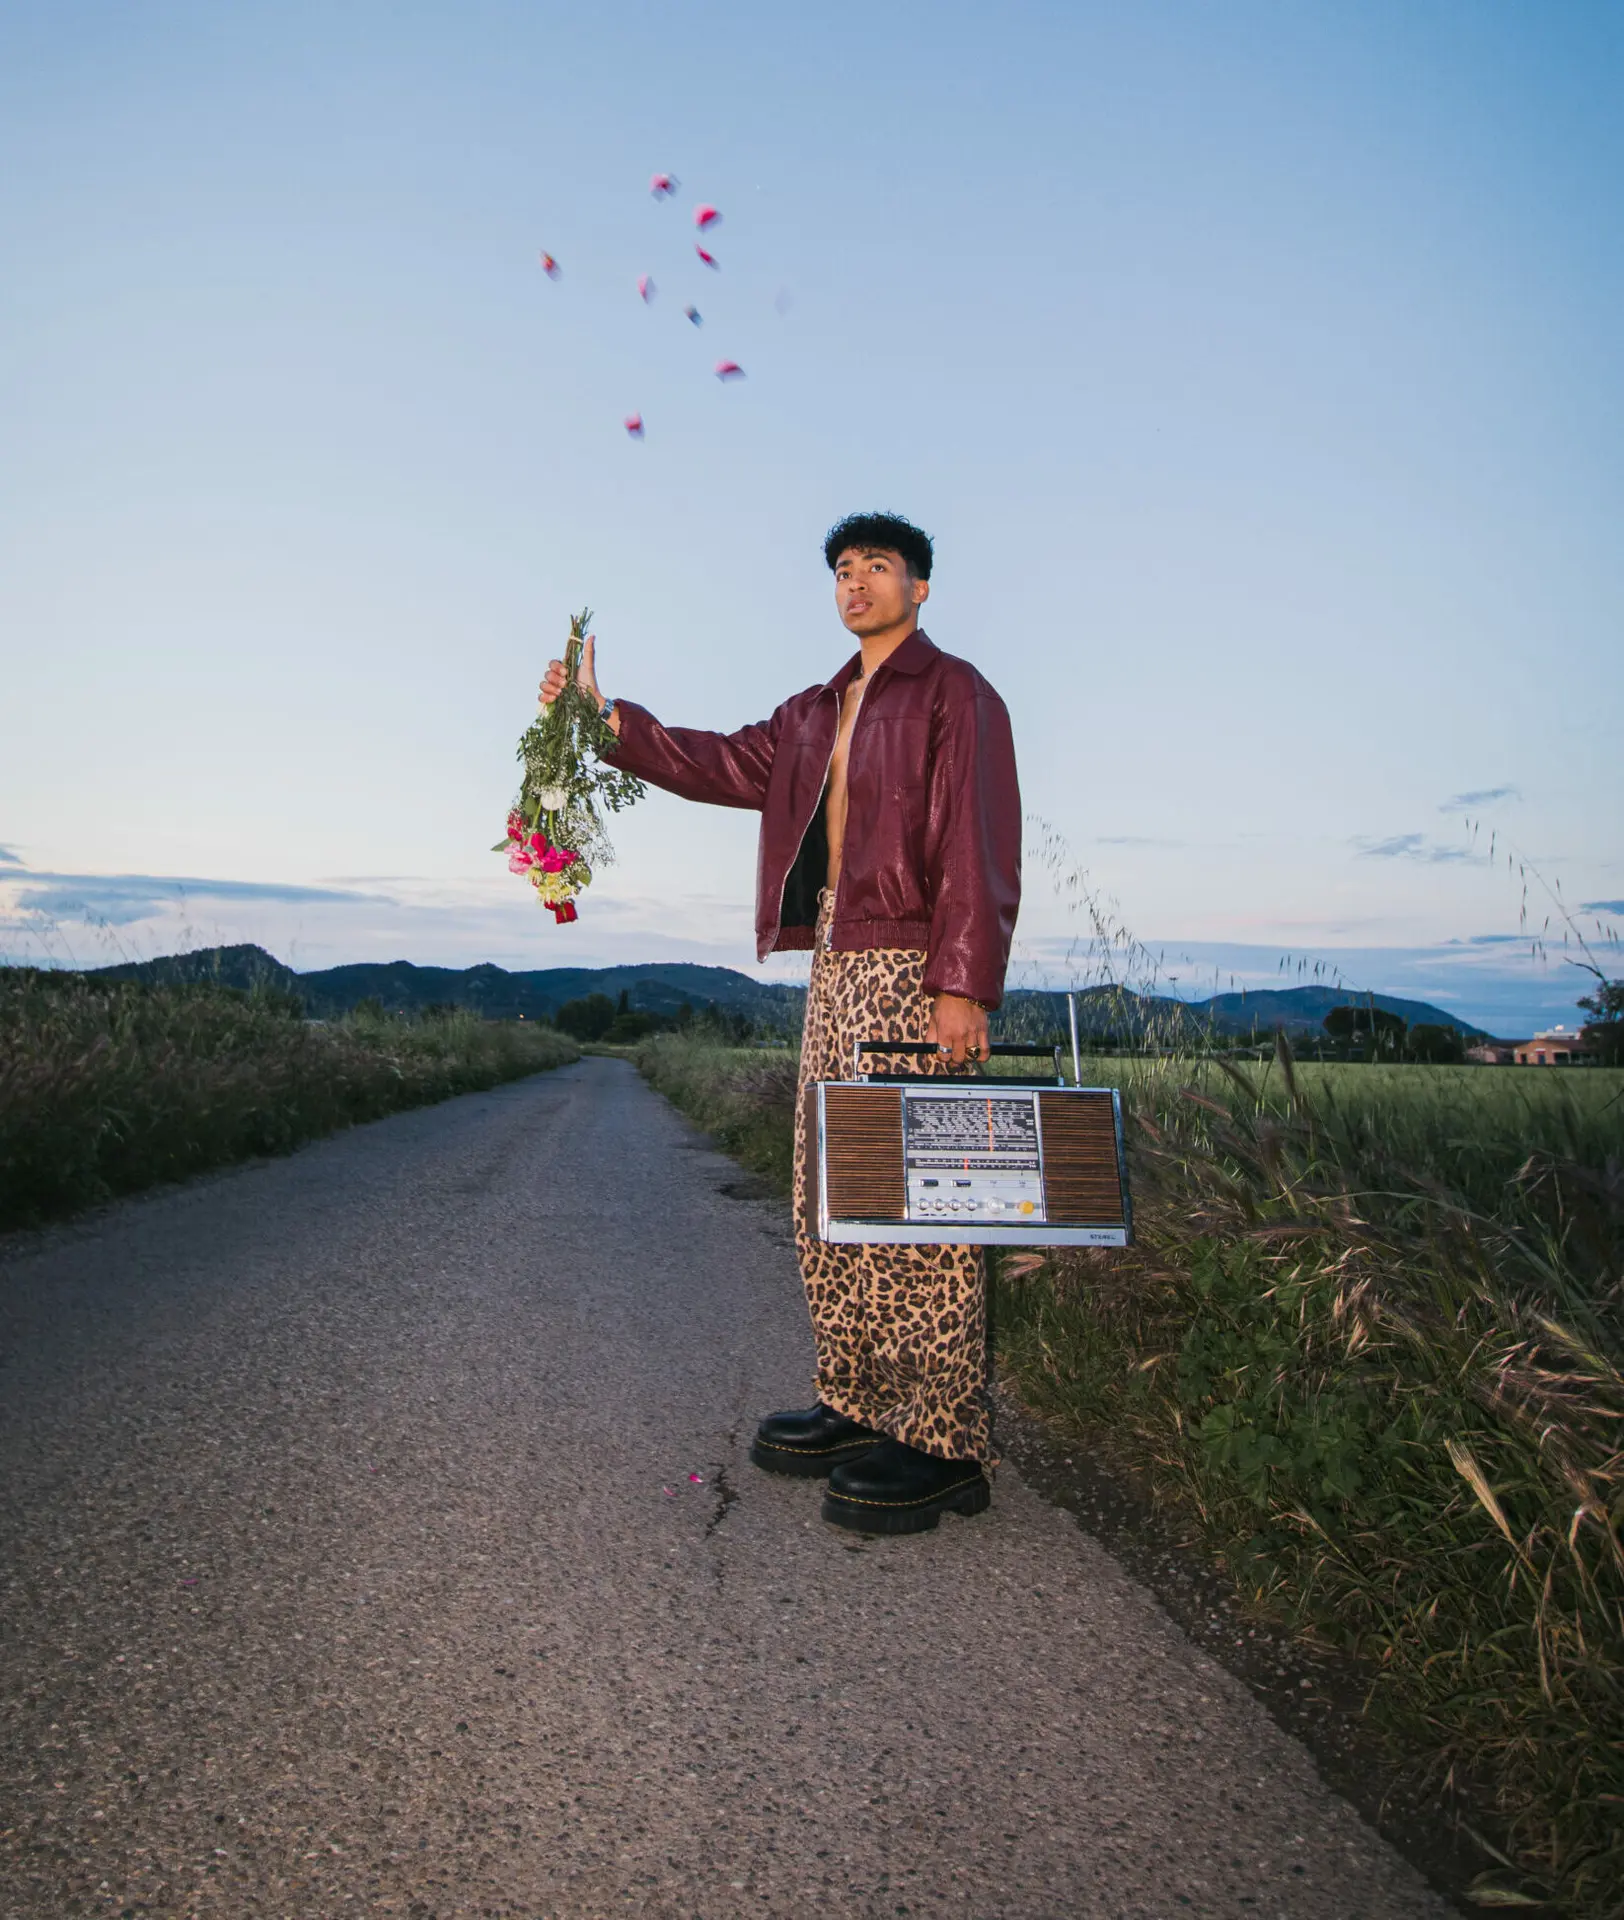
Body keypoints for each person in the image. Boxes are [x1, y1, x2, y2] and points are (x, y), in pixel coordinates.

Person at [536, 511, 1021, 1534]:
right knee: (830, 1192)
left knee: (913, 1203)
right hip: (837, 961)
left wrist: (962, 982)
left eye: (877, 569)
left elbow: (979, 834)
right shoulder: (814, 711)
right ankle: (855, 1400)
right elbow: (716, 763)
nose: (856, 584)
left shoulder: (956, 693)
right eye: (843, 570)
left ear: (919, 587)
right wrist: (601, 719)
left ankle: (941, 1441)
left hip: (915, 958)